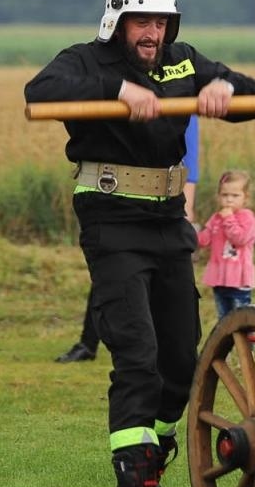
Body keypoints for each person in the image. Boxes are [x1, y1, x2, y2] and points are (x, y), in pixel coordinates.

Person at [24, 0, 255, 487]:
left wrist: (226, 92)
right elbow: (40, 92)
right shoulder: (87, 61)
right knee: (138, 359)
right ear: (118, 20)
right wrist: (117, 91)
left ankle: (144, 485)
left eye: (160, 20)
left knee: (180, 364)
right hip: (112, 224)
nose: (152, 31)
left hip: (167, 225)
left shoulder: (184, 60)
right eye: (141, 20)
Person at [55, 115, 200, 364]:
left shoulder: (176, 89)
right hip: (116, 205)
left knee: (160, 286)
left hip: (162, 207)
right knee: (113, 276)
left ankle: (173, 349)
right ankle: (88, 343)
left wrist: (188, 200)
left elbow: (190, 146)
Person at [196, 170, 255, 321]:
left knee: (241, 321)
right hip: (219, 280)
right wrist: (188, 233)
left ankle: (245, 345)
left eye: (235, 196)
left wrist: (229, 219)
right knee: (224, 320)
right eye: (225, 195)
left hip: (239, 281)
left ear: (245, 198)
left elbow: (240, 239)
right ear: (219, 196)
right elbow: (203, 240)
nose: (229, 200)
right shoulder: (216, 218)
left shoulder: (247, 217)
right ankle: (227, 344)